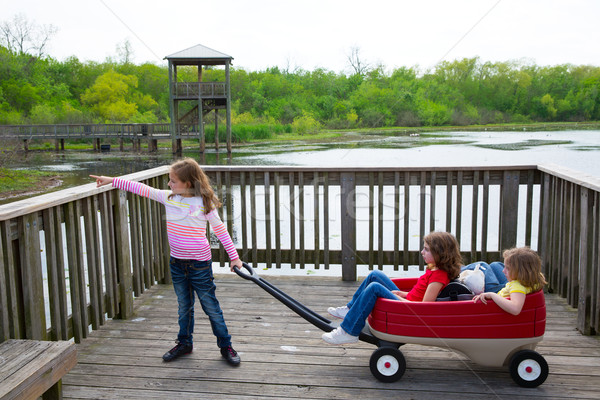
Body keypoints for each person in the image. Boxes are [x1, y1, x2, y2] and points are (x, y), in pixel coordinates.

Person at [91, 158, 243, 366]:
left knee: (211, 307)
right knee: (184, 307)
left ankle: (226, 346)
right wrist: (111, 180)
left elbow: (220, 230)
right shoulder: (168, 197)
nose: (169, 184)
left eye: (173, 181)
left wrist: (234, 257)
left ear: (188, 183)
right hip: (177, 264)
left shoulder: (204, 203)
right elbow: (139, 188)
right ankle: (184, 343)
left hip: (199, 265)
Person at [322, 231, 462, 345]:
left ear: (439, 253)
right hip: (409, 302)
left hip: (412, 312)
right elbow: (420, 293)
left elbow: (425, 307)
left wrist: (401, 300)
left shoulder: (438, 277)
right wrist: (404, 294)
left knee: (374, 287)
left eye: (426, 249)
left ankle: (349, 331)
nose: (421, 252)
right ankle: (350, 310)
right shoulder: (434, 269)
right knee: (375, 275)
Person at [473, 247, 546, 315]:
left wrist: (492, 295)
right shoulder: (535, 279)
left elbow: (515, 309)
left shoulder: (517, 286)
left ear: (521, 272)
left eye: (508, 268)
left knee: (482, 265)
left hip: (493, 306)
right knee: (495, 265)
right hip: (506, 291)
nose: (503, 271)